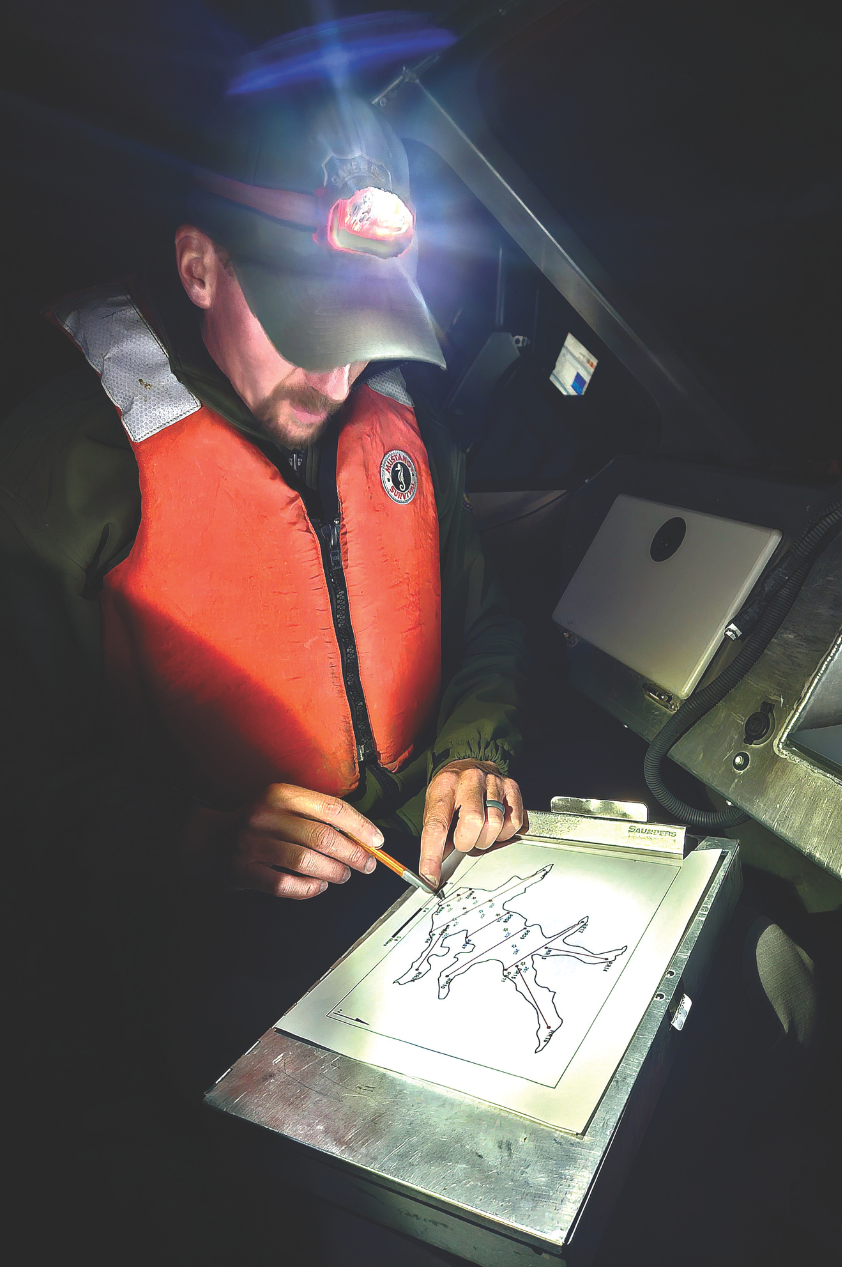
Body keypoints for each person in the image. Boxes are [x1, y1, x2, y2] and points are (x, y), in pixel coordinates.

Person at [1, 87, 528, 1091]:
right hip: (202, 953)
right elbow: (19, 779)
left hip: (419, 899)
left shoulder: (401, 430)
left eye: (364, 328)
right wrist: (197, 842)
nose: (337, 380)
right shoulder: (57, 472)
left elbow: (486, 623)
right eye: (302, 324)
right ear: (200, 266)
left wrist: (473, 746)